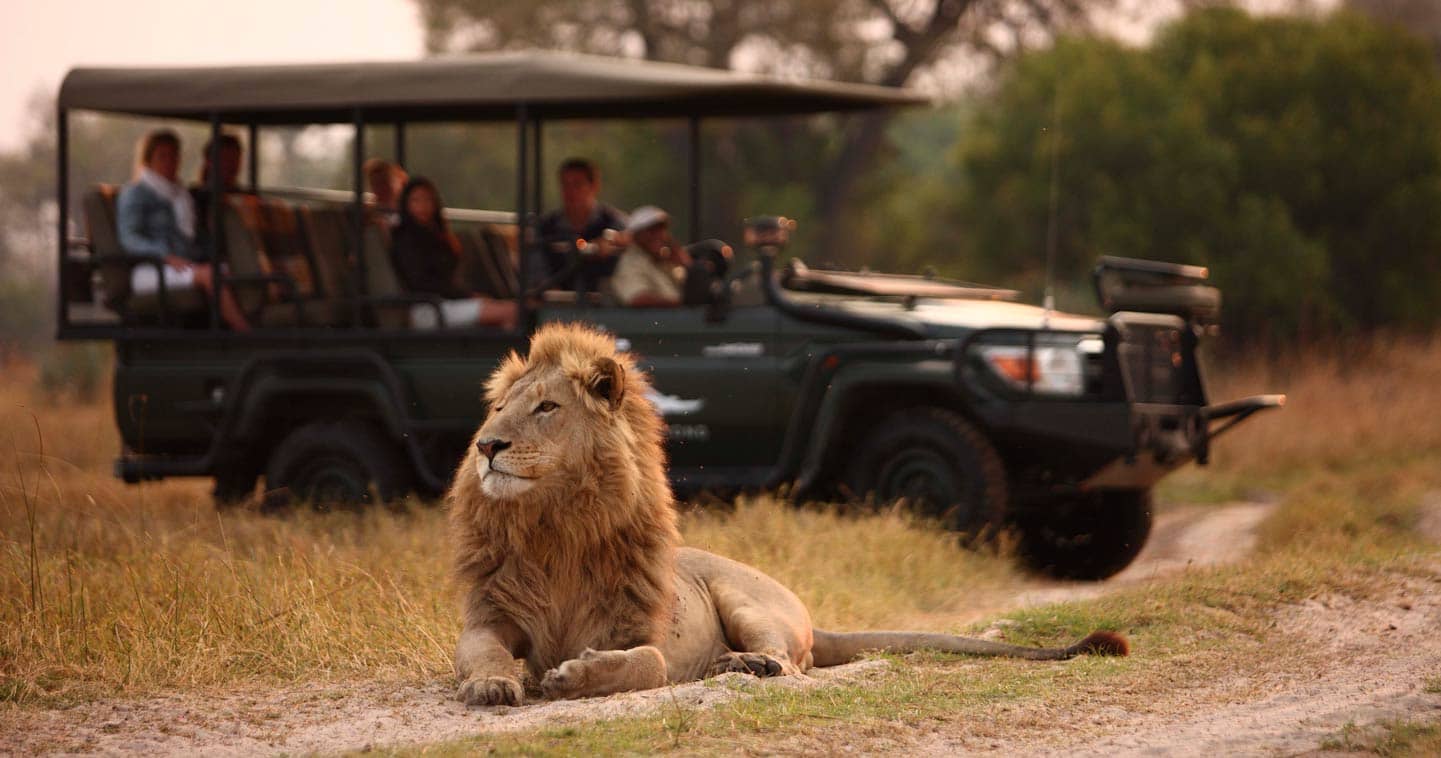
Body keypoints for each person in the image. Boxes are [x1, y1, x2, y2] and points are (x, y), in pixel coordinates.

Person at [115, 129, 249, 331]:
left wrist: (218, 256)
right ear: (148, 159)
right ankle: (245, 332)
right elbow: (130, 238)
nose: (170, 162)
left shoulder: (180, 195)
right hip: (151, 268)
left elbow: (193, 238)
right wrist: (165, 255)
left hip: (183, 264)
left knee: (235, 270)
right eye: (163, 156)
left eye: (174, 156)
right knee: (210, 275)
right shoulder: (136, 193)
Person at [391, 177, 517, 329]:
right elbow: (422, 283)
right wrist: (467, 296)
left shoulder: (435, 234)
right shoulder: (405, 239)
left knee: (507, 309)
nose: (422, 206)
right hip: (427, 308)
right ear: (406, 205)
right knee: (511, 311)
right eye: (416, 201)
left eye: (427, 200)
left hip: (446, 303)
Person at [534, 157, 627, 291]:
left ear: (594, 186)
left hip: (604, 305)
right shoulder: (545, 227)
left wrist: (615, 242)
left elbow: (632, 241)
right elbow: (536, 272)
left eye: (577, 184)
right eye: (565, 185)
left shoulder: (614, 222)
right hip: (557, 306)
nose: (570, 192)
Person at [610, 205, 692, 307]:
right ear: (636, 235)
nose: (658, 235)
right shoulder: (629, 264)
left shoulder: (666, 261)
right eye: (651, 230)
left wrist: (685, 263)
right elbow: (637, 299)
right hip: (651, 321)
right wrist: (682, 303)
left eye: (661, 229)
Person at [190, 133, 244, 253]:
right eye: (226, 159)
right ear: (209, 162)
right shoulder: (196, 197)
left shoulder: (246, 196)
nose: (232, 165)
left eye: (236, 159)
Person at [365, 158, 408, 227]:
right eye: (375, 184)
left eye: (384, 181)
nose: (381, 188)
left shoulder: (410, 210)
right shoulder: (371, 214)